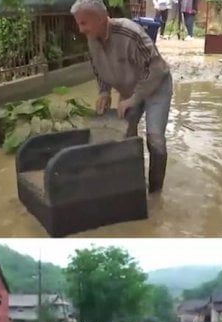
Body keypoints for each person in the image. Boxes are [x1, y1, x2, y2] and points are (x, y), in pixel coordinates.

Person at [71, 0, 173, 193]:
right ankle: (132, 185)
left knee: (155, 138)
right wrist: (104, 91)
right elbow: (98, 68)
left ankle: (155, 193)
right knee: (123, 135)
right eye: (78, 23)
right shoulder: (92, 38)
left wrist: (135, 98)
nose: (80, 29)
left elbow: (155, 68)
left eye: (83, 23)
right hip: (129, 90)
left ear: (101, 19)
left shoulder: (130, 32)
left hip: (156, 86)